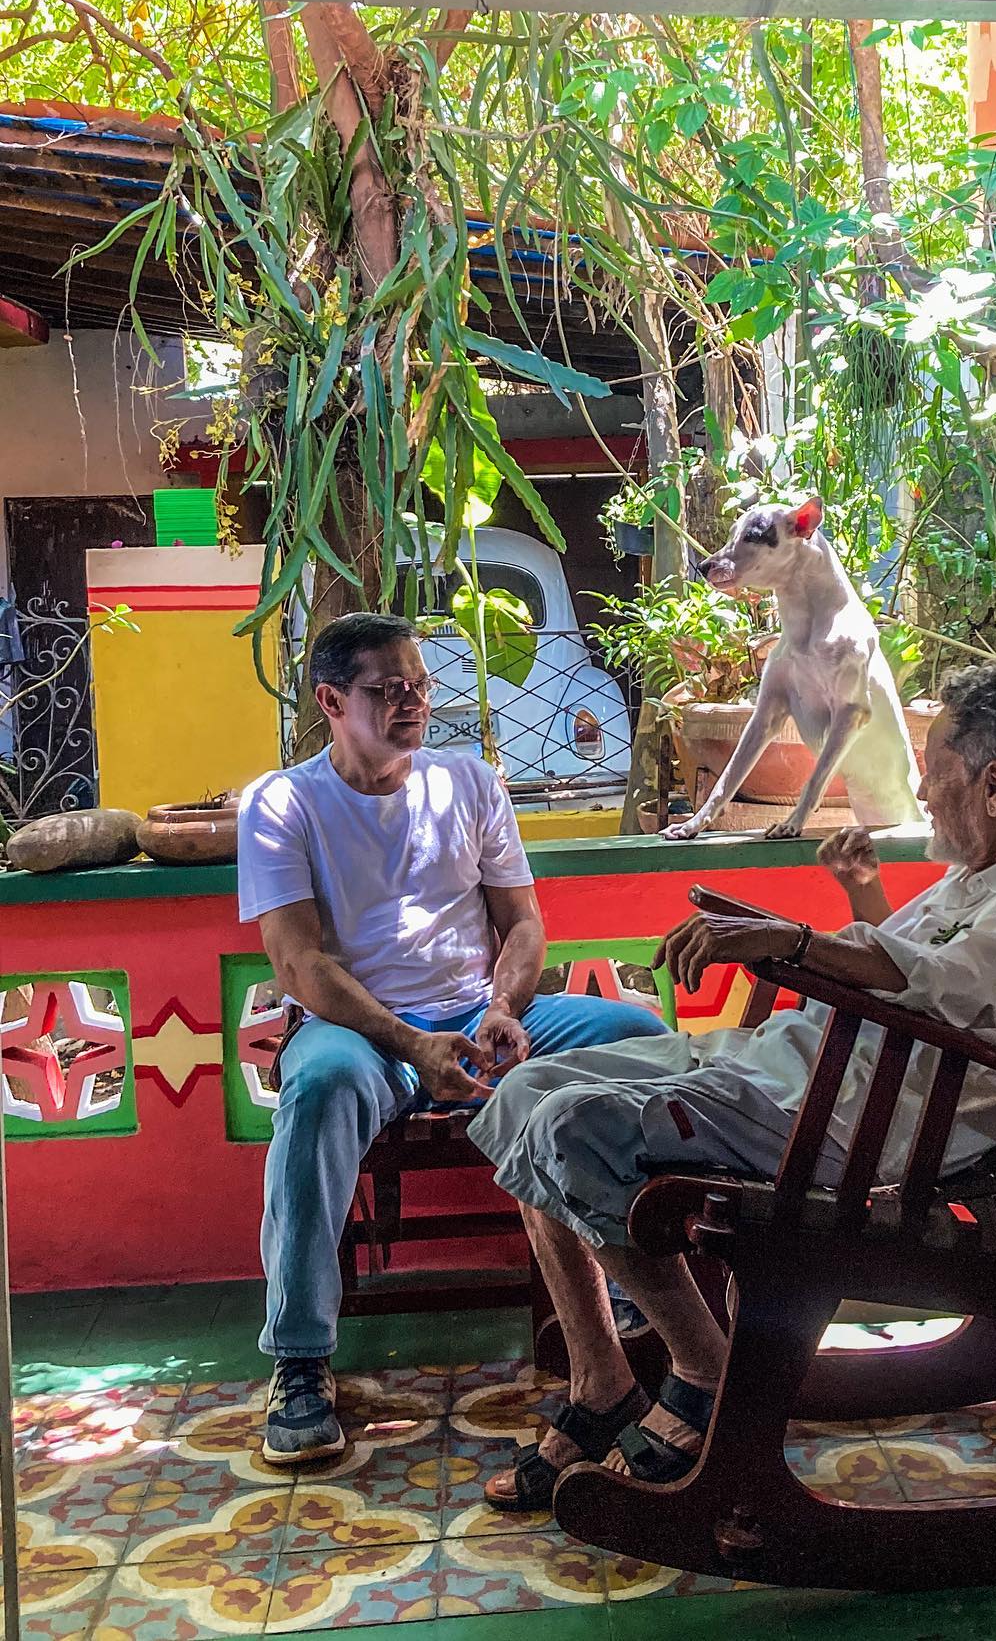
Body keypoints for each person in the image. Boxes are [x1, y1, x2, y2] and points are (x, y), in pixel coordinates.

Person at [471, 659, 996, 1511]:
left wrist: (786, 941)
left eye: (933, 772)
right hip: (804, 1068)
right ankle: (602, 1380)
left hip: (863, 1121)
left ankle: (705, 1368)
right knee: (524, 1093)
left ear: (995, 784)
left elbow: (943, 985)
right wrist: (786, 930)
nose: (923, 792)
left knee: (572, 1127)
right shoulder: (987, 875)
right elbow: (912, 967)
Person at [237, 611, 673, 1465]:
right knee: (317, 1089)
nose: (412, 701)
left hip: (483, 1018)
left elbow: (523, 923)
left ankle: (636, 1287)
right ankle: (299, 1360)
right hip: (360, 1031)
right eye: (386, 689)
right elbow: (299, 963)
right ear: (330, 700)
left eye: (420, 684)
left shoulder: (469, 781)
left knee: (637, 1037)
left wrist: (504, 1006)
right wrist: (410, 1043)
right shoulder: (283, 803)